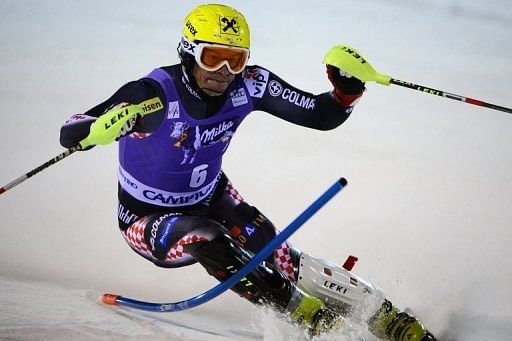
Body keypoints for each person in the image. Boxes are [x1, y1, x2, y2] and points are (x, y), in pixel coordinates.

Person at [60, 4, 435, 340]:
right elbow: (71, 129)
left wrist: (346, 93)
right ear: (189, 52)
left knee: (282, 257)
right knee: (209, 237)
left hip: (213, 197)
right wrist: (97, 130)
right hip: (147, 219)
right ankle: (315, 322)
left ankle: (389, 318)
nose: (224, 72)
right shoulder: (150, 93)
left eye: (235, 60)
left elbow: (320, 115)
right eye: (213, 58)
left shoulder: (251, 83)